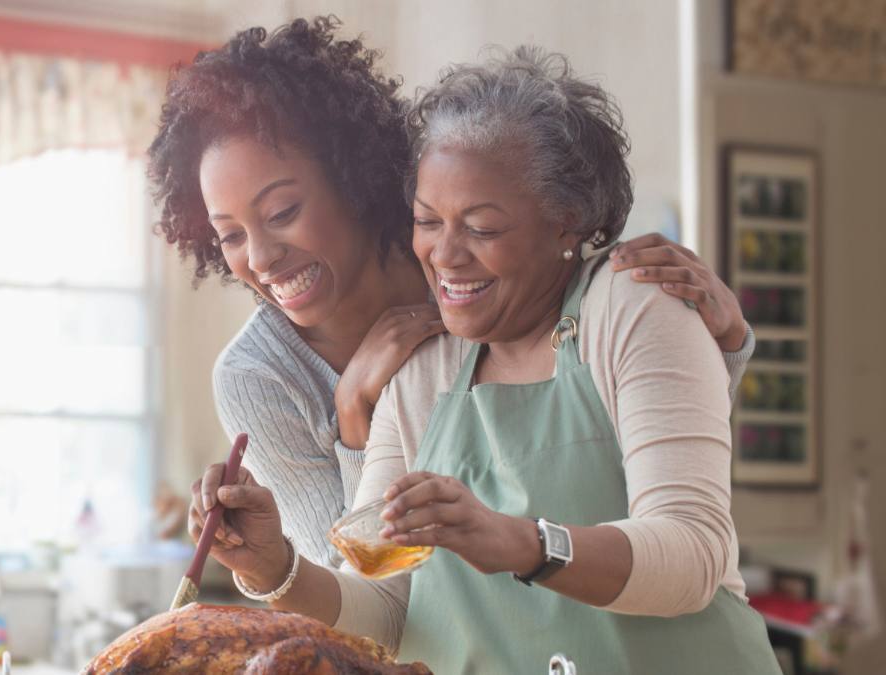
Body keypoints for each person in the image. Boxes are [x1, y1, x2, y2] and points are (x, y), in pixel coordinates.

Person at [187, 47, 780, 674]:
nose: (445, 256)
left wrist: (520, 541)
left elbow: (691, 555)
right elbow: (390, 610)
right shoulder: (421, 372)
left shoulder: (633, 306)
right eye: (426, 221)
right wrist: (271, 566)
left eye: (482, 227)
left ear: (566, 223)